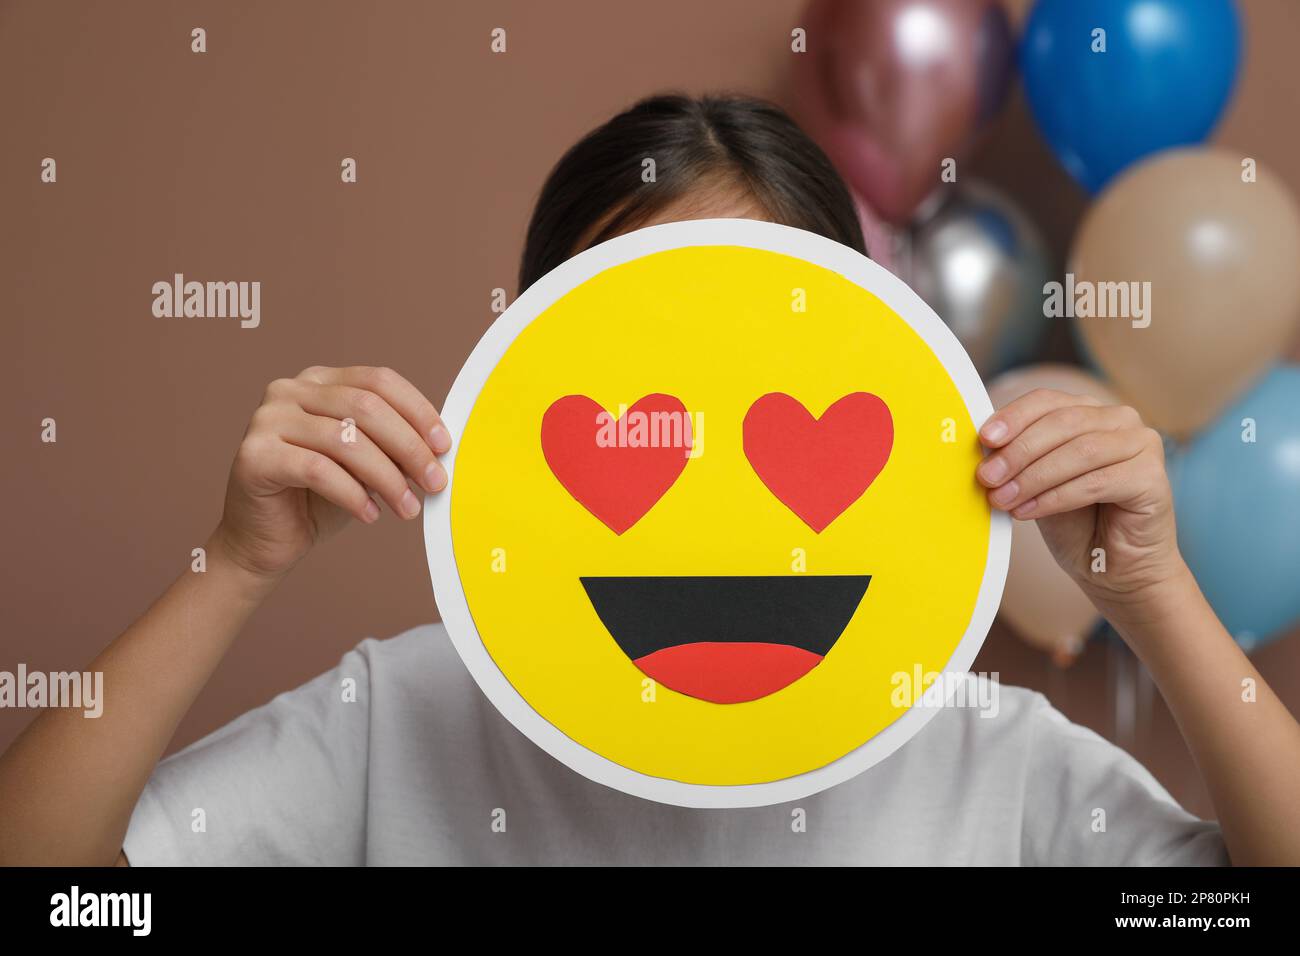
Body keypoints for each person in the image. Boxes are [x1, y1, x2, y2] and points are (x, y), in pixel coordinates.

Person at [2, 94, 1298, 866]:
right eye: (647, 370)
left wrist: (1157, 597)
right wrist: (233, 566)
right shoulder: (402, 720)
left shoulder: (985, 755)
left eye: (761, 351)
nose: (703, 450)